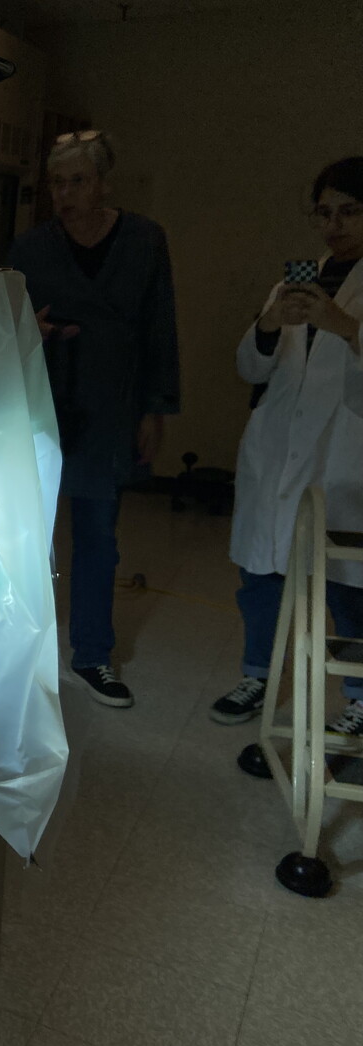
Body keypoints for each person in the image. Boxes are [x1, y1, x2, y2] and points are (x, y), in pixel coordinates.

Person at [6, 130, 180, 709]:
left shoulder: (144, 240)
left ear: (103, 183)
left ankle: (91, 654)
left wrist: (155, 407)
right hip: (41, 398)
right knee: (19, 529)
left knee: (98, 534)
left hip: (110, 403)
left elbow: (159, 326)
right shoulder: (30, 249)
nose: (65, 193)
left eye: (77, 181)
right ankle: (9, 646)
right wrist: (29, 329)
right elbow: (1, 320)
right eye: (57, 183)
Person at [209, 157, 363, 728]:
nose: (333, 225)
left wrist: (344, 325)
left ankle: (360, 698)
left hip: (343, 459)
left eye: (349, 211)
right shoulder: (293, 283)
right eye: (323, 213)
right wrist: (270, 323)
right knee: (262, 576)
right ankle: (258, 673)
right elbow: (250, 367)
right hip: (275, 450)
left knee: (347, 589)